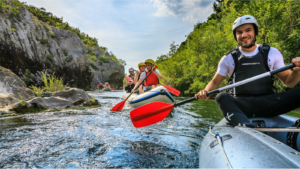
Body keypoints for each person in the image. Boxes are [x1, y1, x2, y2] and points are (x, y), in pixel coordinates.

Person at [195, 15, 300, 128]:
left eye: (248, 30)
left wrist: (297, 70)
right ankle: (245, 127)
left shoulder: (272, 53)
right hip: (240, 106)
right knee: (221, 97)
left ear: (255, 31)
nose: (244, 35)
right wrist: (205, 90)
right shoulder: (228, 58)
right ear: (236, 36)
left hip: (268, 104)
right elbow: (214, 83)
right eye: (239, 32)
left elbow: (289, 82)